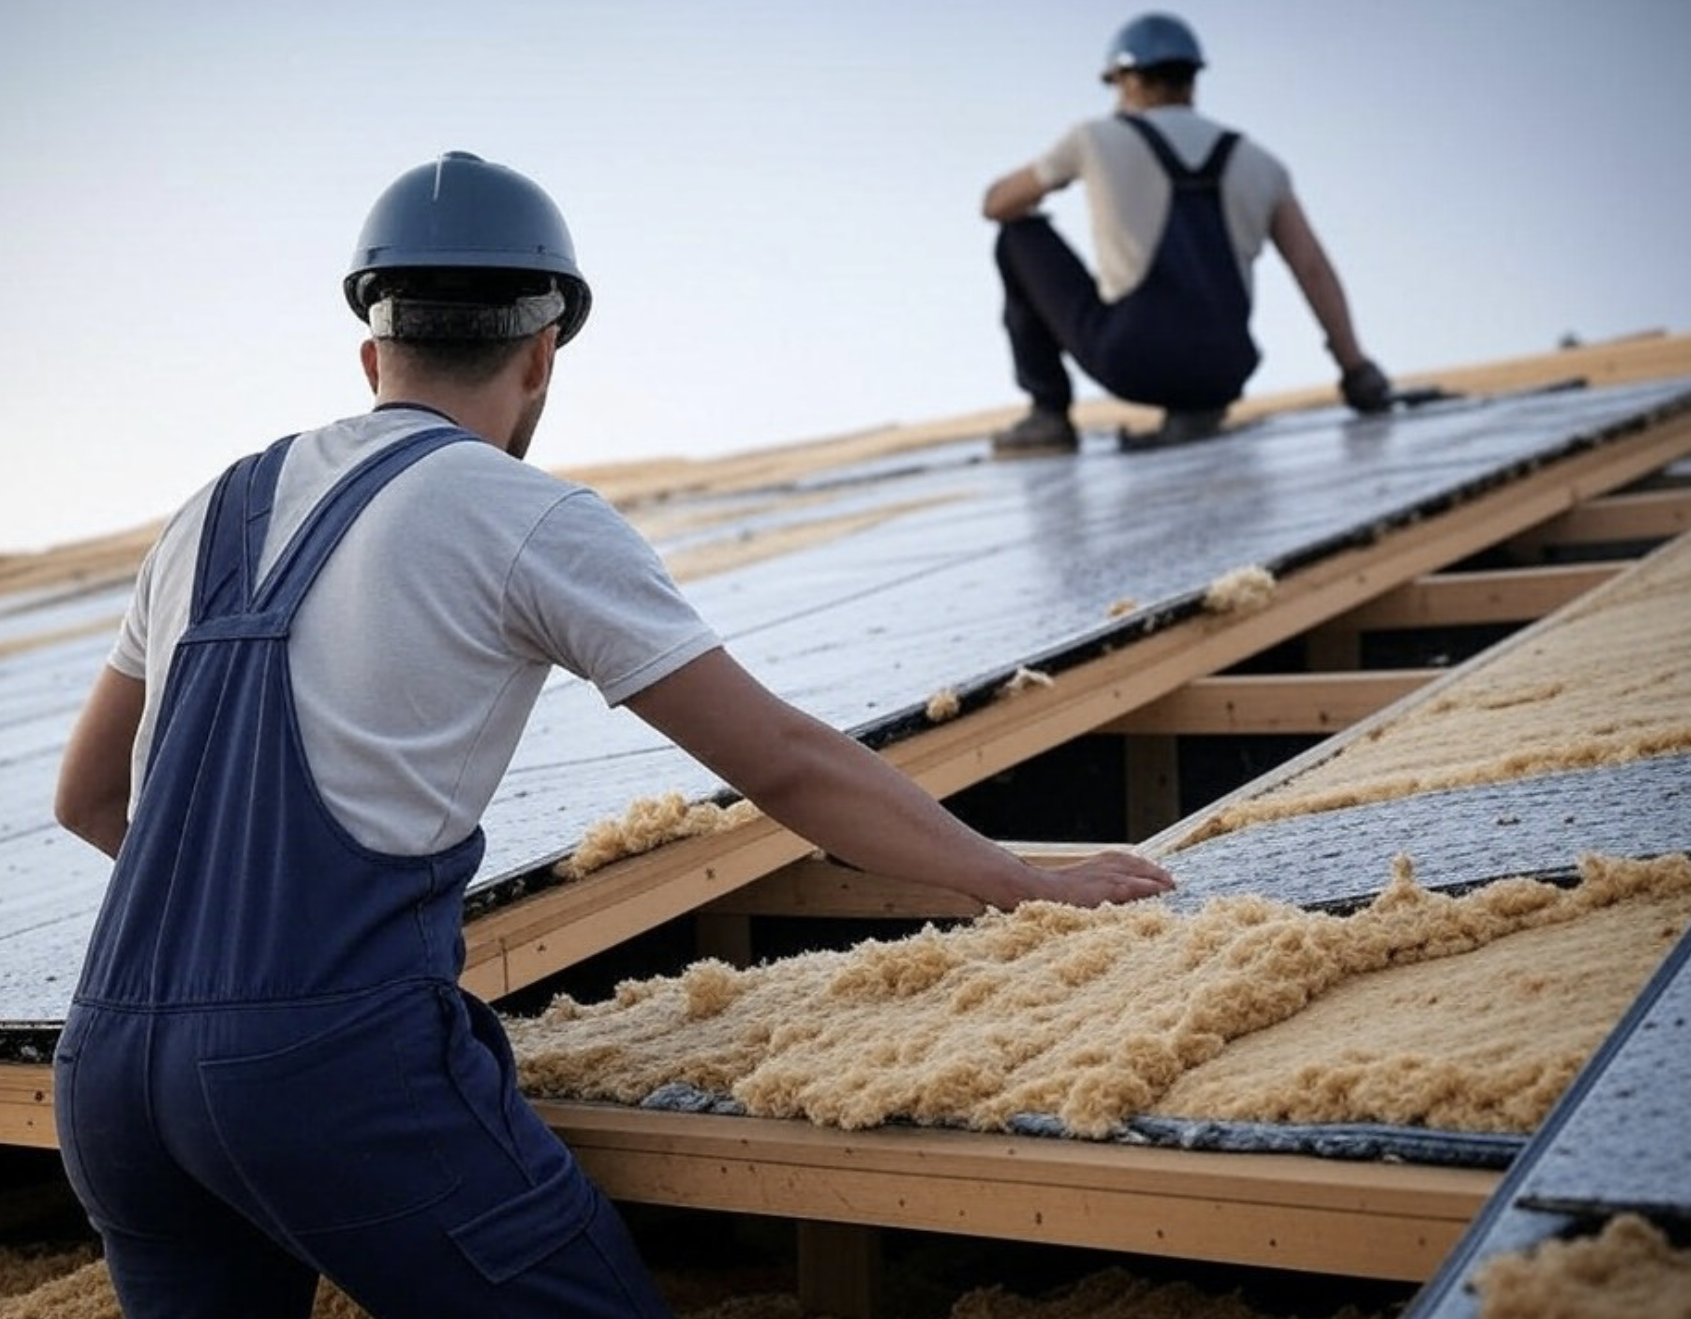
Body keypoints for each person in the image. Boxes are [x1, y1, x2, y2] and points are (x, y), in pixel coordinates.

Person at [52, 150, 1175, 1319]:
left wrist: (217, 961)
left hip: (110, 1077)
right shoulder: (522, 512)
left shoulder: (208, 509)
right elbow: (782, 759)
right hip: (326, 1071)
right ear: (542, 355)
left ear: (371, 352)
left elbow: (85, 800)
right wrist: (1012, 876)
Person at [982, 12, 1393, 457]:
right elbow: (1312, 268)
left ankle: (1049, 415)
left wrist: (1062, 177)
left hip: (1134, 361)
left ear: (1128, 80)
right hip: (1226, 370)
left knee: (1018, 235)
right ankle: (1196, 410)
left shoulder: (1094, 138)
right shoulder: (1260, 162)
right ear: (1192, 79)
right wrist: (1355, 368)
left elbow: (996, 204)